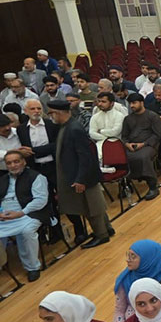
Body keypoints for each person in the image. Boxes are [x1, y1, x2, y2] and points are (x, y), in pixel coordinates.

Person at [49, 100, 113, 248]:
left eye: (51, 113)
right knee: (92, 206)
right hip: (80, 175)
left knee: (91, 207)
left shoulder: (74, 129)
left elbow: (85, 156)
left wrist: (80, 179)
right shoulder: (67, 126)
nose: (50, 116)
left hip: (84, 176)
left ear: (58, 113)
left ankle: (101, 235)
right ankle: (107, 229)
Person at [0, 150, 49, 281]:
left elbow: (41, 200)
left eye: (16, 161)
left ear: (24, 161)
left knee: (26, 232)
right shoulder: (3, 180)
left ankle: (32, 267)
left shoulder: (36, 177)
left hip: (29, 213)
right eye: (9, 163)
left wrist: (20, 213)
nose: (13, 165)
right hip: (4, 216)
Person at [112, 239, 161, 322]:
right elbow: (119, 309)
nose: (128, 260)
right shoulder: (125, 278)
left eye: (133, 256)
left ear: (147, 258)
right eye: (128, 255)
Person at [120, 92, 161, 199]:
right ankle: (127, 185)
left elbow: (157, 135)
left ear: (142, 103)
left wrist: (143, 144)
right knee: (122, 158)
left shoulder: (152, 116)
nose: (132, 106)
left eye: (134, 103)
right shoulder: (127, 119)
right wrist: (127, 144)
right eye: (130, 103)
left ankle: (153, 186)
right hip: (132, 146)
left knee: (143, 157)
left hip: (149, 145)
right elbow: (124, 136)